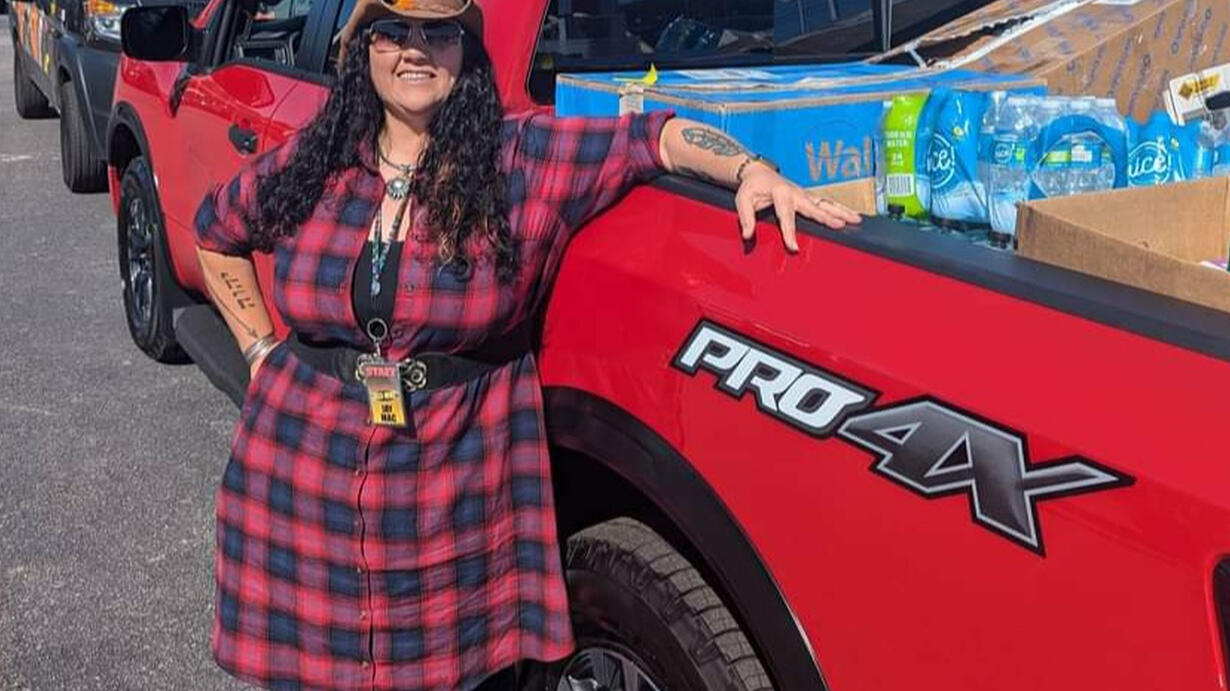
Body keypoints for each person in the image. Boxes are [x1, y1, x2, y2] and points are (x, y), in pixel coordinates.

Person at [192, 0, 862, 688]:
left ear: (466, 52)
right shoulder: (320, 158)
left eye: (438, 32)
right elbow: (215, 232)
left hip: (445, 503)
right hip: (301, 488)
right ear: (365, 49)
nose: (415, 49)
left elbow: (654, 137)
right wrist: (261, 355)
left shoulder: (520, 158)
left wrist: (751, 169)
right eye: (392, 31)